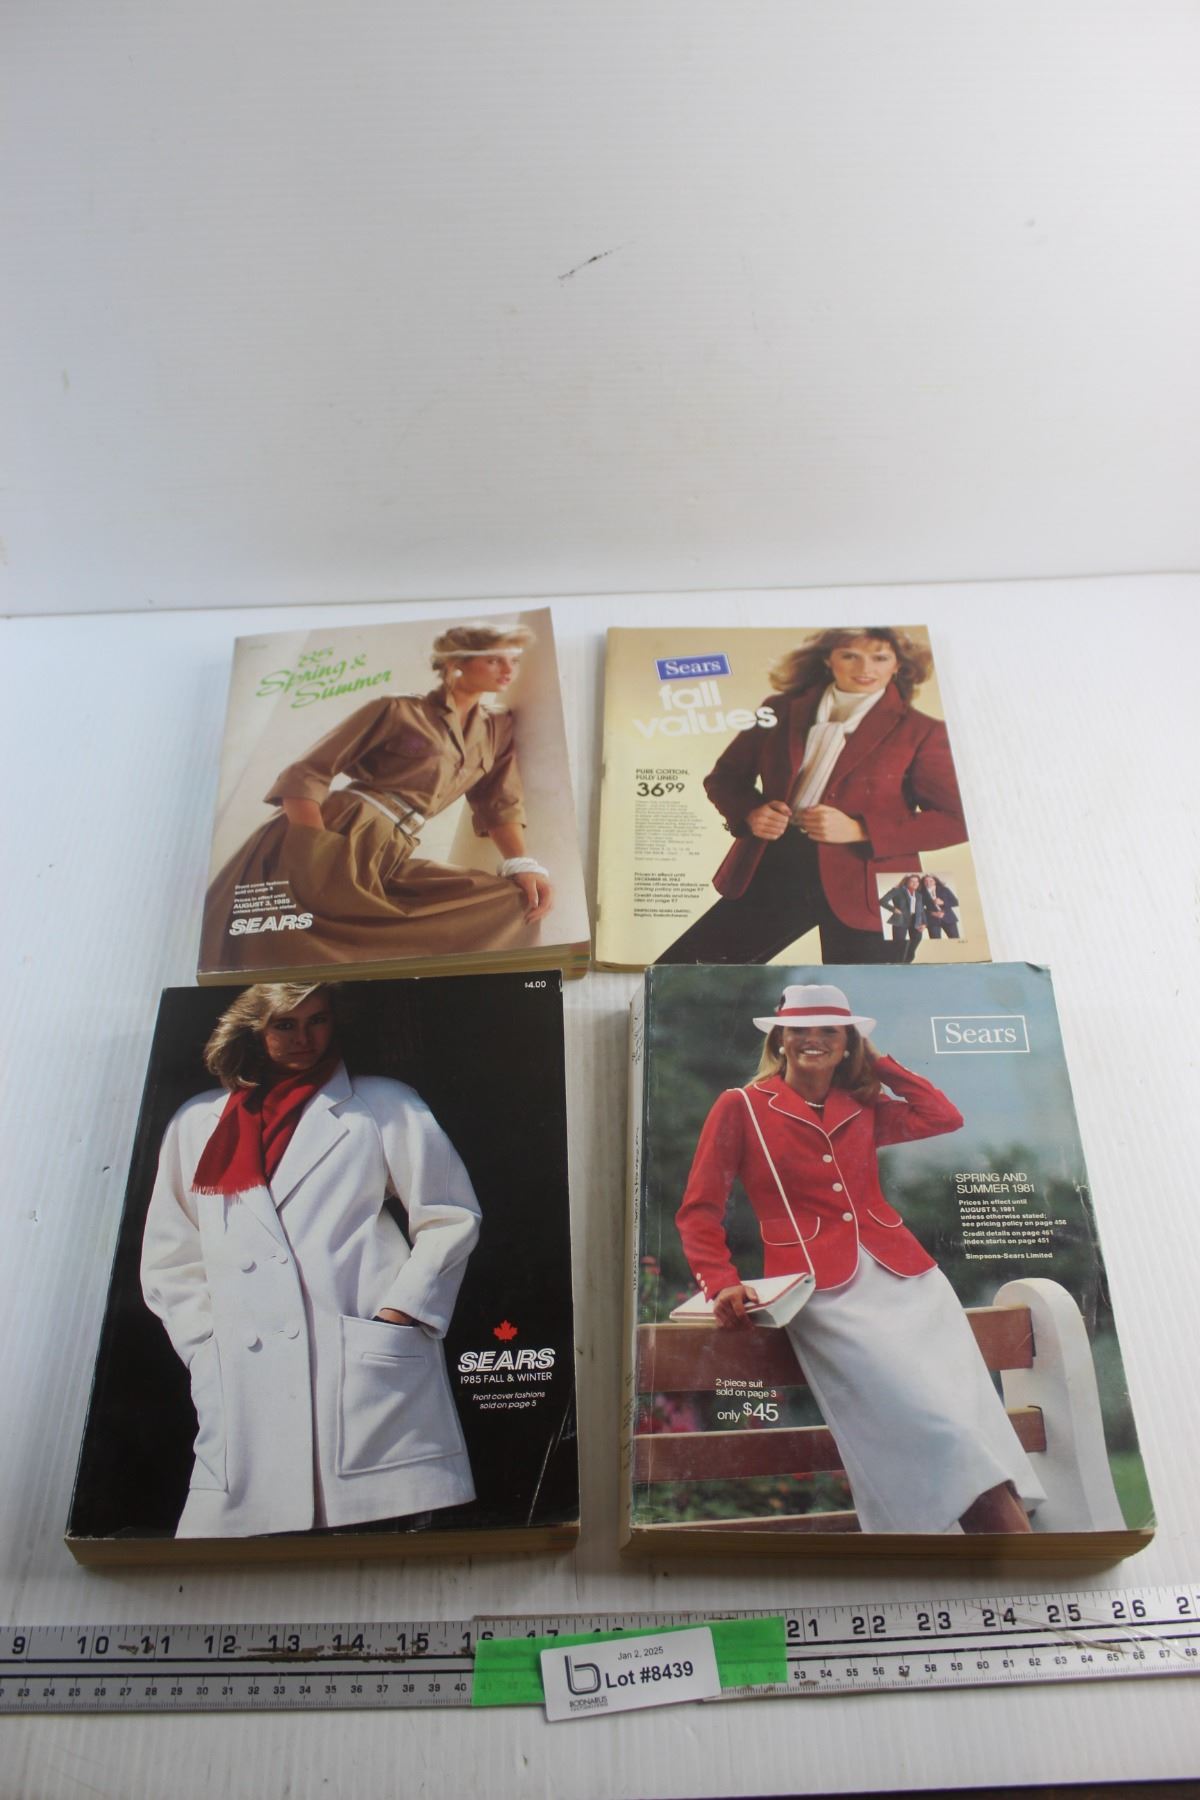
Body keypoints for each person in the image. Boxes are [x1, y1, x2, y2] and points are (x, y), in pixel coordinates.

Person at [674, 984, 1042, 1534]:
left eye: (830, 1030)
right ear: (780, 1039)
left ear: (849, 1042)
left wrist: (879, 1062)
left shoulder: (862, 1105)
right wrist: (721, 1280)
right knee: (941, 1429)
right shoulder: (742, 1106)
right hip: (821, 1293)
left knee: (969, 1421)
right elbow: (699, 1210)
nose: (814, 1039)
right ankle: (1014, 1554)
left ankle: (1008, 1556)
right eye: (801, 1029)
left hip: (911, 1282)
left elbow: (942, 1116)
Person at [140, 983, 480, 1538]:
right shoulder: (196, 1123)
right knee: (232, 1558)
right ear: (254, 1028)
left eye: (317, 1020)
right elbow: (171, 1257)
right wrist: (207, 1348)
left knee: (377, 1546)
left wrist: (403, 1312)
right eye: (285, 1024)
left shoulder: (383, 1104)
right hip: (245, 1380)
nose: (305, 1038)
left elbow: (451, 1216)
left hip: (362, 1371)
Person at [201, 621, 554, 972]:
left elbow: (499, 803)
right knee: (289, 952)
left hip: (391, 849)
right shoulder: (397, 710)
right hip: (333, 829)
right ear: (455, 663)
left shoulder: (496, 729)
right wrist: (314, 849)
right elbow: (306, 772)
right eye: (494, 660)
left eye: (514, 660)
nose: (508, 669)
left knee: (510, 902)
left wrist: (521, 863)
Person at [656, 627, 966, 965]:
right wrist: (751, 812)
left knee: (872, 994)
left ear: (898, 665)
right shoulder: (779, 708)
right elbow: (725, 777)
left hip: (884, 877)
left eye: (880, 658)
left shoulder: (925, 730)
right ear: (828, 660)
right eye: (850, 655)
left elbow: (959, 819)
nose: (865, 668)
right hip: (778, 860)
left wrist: (861, 830)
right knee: (678, 974)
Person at [880, 874, 926, 963]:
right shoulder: (897, 891)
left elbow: (921, 910)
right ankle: (897, 964)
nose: (915, 883)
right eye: (912, 881)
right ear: (906, 882)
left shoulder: (918, 895)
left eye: (917, 881)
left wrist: (924, 923)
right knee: (899, 945)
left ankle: (907, 963)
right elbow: (882, 901)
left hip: (915, 921)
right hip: (900, 920)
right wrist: (893, 909)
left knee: (915, 943)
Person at [920, 873, 961, 939]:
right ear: (923, 883)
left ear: (935, 881)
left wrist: (943, 902)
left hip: (948, 918)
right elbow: (919, 908)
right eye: (926, 881)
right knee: (935, 942)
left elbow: (956, 902)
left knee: (955, 939)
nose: (928, 883)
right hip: (932, 920)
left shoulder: (944, 889)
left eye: (931, 881)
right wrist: (932, 913)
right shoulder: (920, 893)